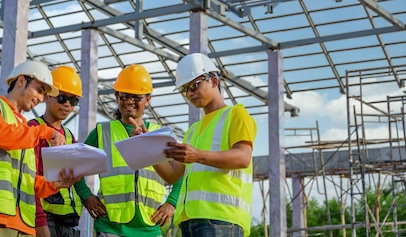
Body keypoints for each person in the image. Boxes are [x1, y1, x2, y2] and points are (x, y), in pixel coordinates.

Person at [0, 60, 83, 237]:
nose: (40, 98)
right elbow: (1, 136)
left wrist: (56, 184)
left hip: (24, 224)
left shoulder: (25, 129)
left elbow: (28, 183)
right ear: (21, 81)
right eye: (39, 90)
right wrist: (44, 131)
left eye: (43, 94)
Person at [157, 53, 257, 237]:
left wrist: (197, 156)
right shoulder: (193, 131)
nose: (189, 93)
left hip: (221, 221)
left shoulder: (236, 114)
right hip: (189, 222)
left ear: (213, 81)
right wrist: (147, 150)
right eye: (185, 89)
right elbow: (172, 175)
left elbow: (243, 157)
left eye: (194, 86)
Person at [77, 64, 182, 237]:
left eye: (136, 97)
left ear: (147, 100)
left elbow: (181, 173)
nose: (129, 101)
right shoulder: (102, 132)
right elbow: (75, 166)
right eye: (124, 96)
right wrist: (86, 196)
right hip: (111, 227)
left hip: (150, 228)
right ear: (116, 96)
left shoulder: (160, 134)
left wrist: (172, 202)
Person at [28, 66, 91, 237]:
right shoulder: (33, 130)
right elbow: (29, 180)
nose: (68, 105)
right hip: (46, 219)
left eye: (73, 101)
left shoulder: (69, 136)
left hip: (69, 220)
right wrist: (39, 222)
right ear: (47, 97)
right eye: (62, 98)